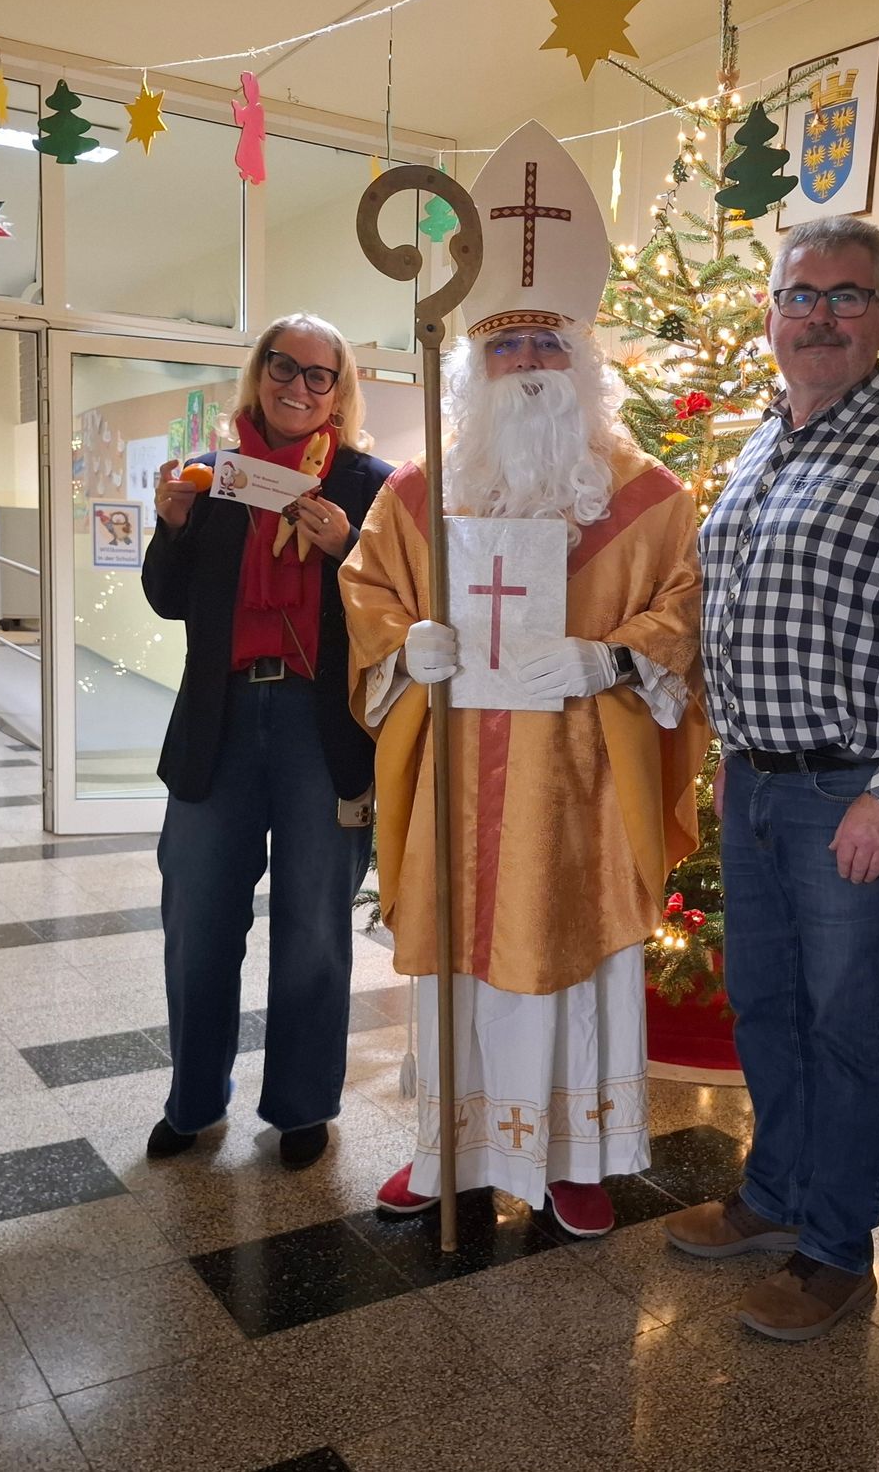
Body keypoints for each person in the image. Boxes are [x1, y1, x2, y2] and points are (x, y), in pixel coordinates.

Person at [338, 122, 708, 1238]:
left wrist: (609, 655)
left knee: (571, 969)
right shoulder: (417, 494)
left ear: (582, 361)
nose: (531, 366)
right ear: (474, 369)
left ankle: (572, 1157)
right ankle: (443, 1147)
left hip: (582, 786)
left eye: (550, 346)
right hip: (457, 778)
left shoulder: (651, 501)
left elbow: (684, 609)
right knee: (455, 973)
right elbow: (369, 597)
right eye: (508, 348)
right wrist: (410, 647)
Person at [666, 216, 879, 1342]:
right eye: (800, 294)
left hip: (855, 789)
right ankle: (774, 1198)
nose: (819, 314)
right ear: (770, 314)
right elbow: (734, 617)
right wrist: (730, 756)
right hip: (761, 782)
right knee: (765, 1007)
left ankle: (834, 1250)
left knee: (846, 1025)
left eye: (846, 296)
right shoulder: (764, 444)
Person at [141, 315, 391, 1167]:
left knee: (314, 925)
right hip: (218, 722)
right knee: (198, 922)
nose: (300, 386)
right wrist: (172, 524)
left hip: (321, 731)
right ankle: (193, 1102)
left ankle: (301, 1104)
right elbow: (170, 601)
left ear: (339, 390)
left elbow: (400, 604)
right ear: (261, 371)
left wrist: (348, 549)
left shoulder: (371, 484)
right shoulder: (216, 475)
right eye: (285, 366)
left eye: (321, 375)